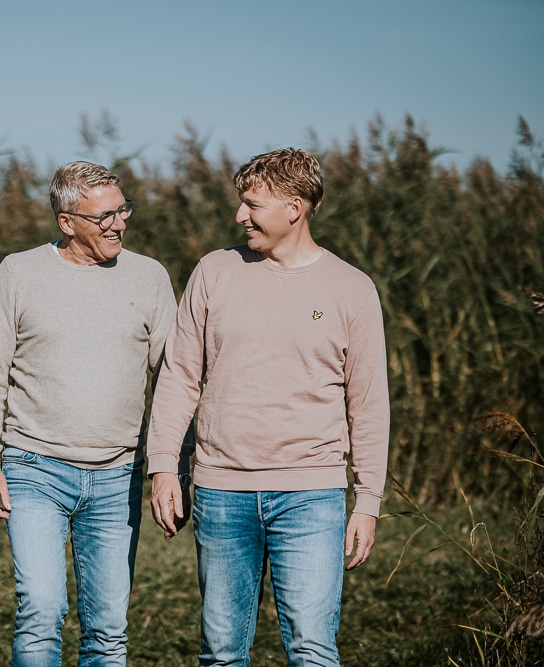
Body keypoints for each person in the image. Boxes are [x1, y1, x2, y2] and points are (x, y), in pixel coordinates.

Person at [147, 148, 390, 666]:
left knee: (311, 649)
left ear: (295, 208)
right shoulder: (214, 272)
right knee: (221, 652)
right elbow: (179, 376)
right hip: (220, 491)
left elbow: (367, 404)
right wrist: (164, 465)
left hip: (311, 494)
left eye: (252, 205)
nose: (240, 216)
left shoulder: (352, 289)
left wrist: (367, 500)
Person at [0, 161, 180, 666]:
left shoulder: (149, 276)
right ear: (67, 222)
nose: (118, 224)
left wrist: (173, 466)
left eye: (122, 210)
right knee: (40, 613)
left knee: (108, 632)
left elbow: (173, 381)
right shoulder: (19, 272)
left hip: (118, 476)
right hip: (33, 469)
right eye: (103, 216)